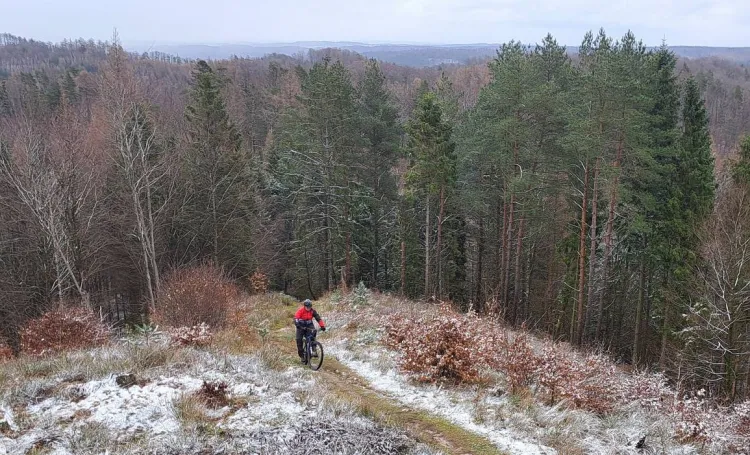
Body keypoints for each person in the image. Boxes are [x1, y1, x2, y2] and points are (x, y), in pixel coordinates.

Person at [294, 299, 326, 363]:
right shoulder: (300, 310)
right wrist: (298, 326)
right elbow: (296, 318)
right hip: (301, 325)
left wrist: (322, 326)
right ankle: (302, 356)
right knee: (299, 340)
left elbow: (318, 318)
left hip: (309, 324)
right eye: (307, 307)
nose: (308, 308)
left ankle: (314, 349)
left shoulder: (313, 311)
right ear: (304, 306)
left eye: (309, 307)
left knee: (313, 333)